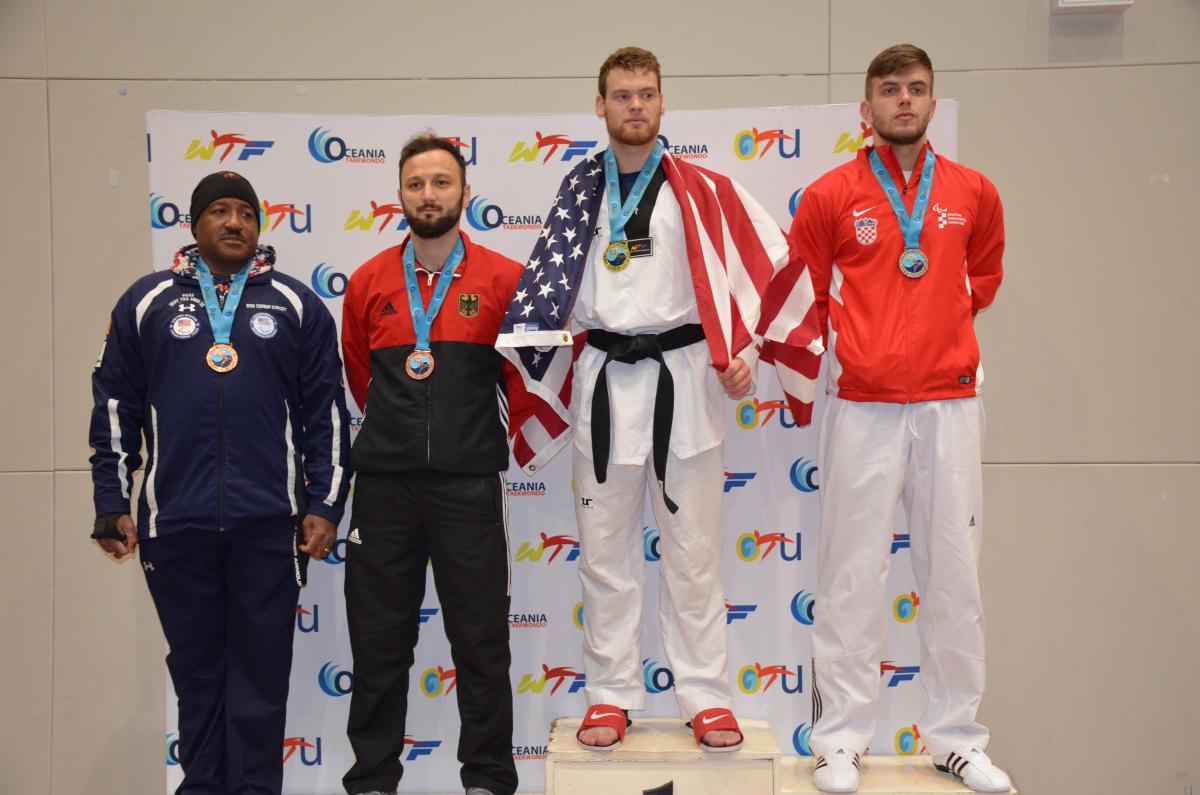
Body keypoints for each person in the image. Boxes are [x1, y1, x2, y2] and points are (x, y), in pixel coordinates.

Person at [497, 47, 821, 753]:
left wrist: (746, 355)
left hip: (686, 378)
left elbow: (761, 273)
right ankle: (610, 693)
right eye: (621, 94)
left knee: (695, 553)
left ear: (663, 103)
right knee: (604, 555)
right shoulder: (578, 192)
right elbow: (556, 300)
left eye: (646, 93)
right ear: (601, 105)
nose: (635, 105)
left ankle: (705, 695)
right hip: (605, 383)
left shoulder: (705, 189)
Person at [783, 44, 1011, 793]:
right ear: (867, 106)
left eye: (916, 89)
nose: (903, 100)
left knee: (954, 577)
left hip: (949, 403)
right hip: (864, 406)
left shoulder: (975, 191)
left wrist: (936, 335)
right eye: (890, 89)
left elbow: (981, 279)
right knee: (851, 576)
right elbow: (806, 298)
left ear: (933, 104)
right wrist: (873, 350)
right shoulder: (829, 195)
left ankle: (956, 736)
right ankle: (841, 738)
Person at [89, 170, 351, 795]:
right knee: (198, 676)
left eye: (247, 214)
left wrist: (324, 504)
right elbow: (113, 408)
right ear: (195, 223)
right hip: (175, 525)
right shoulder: (146, 302)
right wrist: (109, 503)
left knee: (261, 680)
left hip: (270, 526)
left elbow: (328, 414)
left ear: (259, 227)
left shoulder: (294, 304)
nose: (235, 223)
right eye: (220, 211)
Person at [340, 134, 525, 795]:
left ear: (464, 193)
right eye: (416, 183)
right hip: (384, 491)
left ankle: (488, 779)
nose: (429, 194)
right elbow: (363, 380)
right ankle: (371, 780)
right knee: (379, 647)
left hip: (467, 487)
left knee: (480, 645)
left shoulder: (504, 278)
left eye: (441, 182)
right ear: (399, 194)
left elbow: (523, 382)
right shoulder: (366, 282)